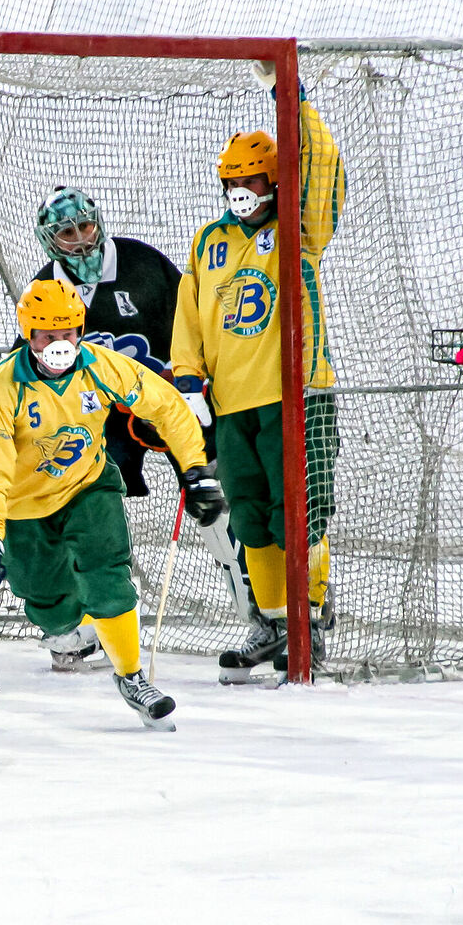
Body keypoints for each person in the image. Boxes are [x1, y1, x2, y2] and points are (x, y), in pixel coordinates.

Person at [0, 280, 225, 729]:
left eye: (68, 333)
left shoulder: (103, 366)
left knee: (107, 571)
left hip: (87, 485)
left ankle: (132, 675)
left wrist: (195, 470)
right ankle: (75, 626)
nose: (60, 345)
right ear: (29, 335)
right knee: (47, 604)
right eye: (48, 336)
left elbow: (166, 406)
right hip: (24, 507)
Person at [28, 186, 256, 668]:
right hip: (100, 415)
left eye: (86, 226)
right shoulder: (46, 289)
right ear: (50, 240)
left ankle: (260, 612)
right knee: (78, 504)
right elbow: (30, 361)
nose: (81, 239)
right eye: (67, 232)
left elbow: (194, 322)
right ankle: (84, 624)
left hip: (172, 403)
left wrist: (192, 384)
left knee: (213, 501)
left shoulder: (142, 264)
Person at [171, 60, 345, 682]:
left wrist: (292, 100)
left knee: (298, 511)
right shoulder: (208, 241)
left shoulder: (300, 230)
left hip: (296, 396)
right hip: (234, 402)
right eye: (230, 181)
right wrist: (188, 381)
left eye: (251, 180)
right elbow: (191, 314)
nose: (239, 191)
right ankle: (272, 622)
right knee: (249, 516)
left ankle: (312, 617)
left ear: (276, 181)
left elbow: (319, 169)